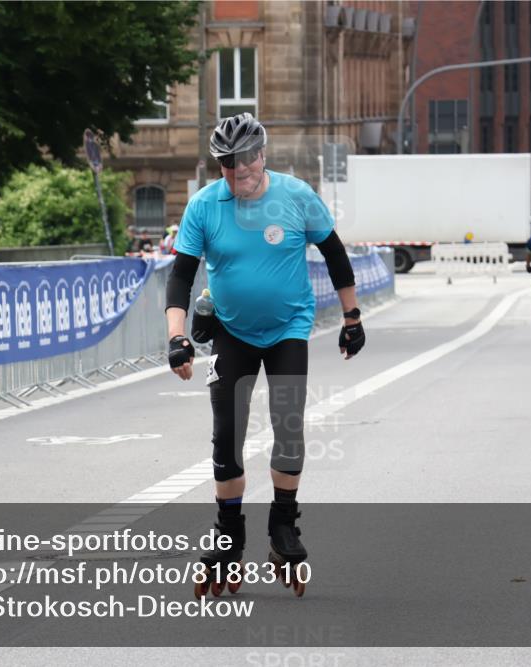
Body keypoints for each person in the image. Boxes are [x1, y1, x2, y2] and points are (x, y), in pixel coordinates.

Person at [166, 113, 364, 597]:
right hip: (232, 332)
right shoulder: (205, 206)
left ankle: (283, 525)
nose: (239, 173)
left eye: (245, 162)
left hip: (288, 330)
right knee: (226, 435)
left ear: (262, 156)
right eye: (227, 165)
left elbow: (335, 255)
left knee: (289, 424)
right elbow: (181, 276)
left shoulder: (296, 197)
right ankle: (230, 536)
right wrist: (177, 338)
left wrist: (352, 318)